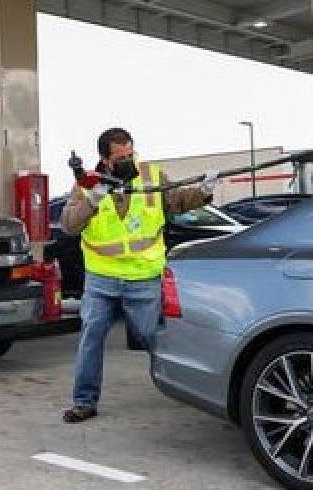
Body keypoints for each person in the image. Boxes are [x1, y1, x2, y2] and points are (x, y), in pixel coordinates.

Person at [59, 127, 220, 423]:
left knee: (153, 337)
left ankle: (189, 389)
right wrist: (92, 201)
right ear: (104, 159)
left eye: (130, 154)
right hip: (101, 278)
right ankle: (84, 402)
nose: (128, 161)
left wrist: (205, 191)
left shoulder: (150, 177)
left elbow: (176, 201)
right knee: (90, 337)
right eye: (120, 157)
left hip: (144, 277)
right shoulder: (87, 185)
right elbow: (69, 225)